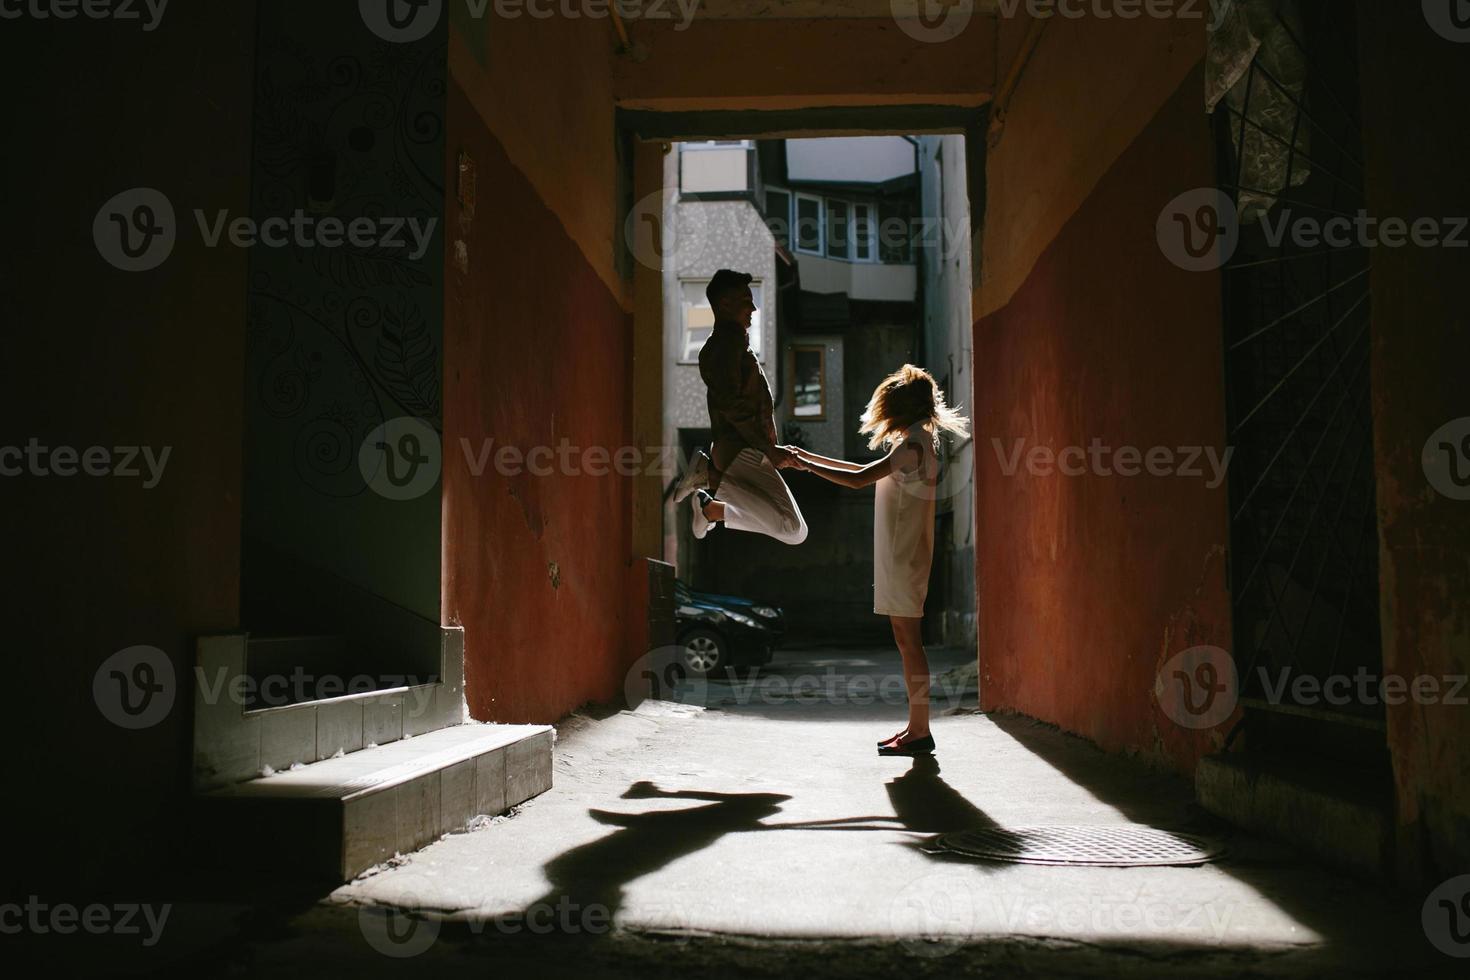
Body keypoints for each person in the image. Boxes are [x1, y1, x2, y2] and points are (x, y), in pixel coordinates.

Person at [782, 364, 968, 756]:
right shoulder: (916, 442)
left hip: (904, 554)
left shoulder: (914, 444)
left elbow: (857, 481)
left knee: (909, 641)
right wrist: (806, 458)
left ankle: (920, 732)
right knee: (906, 640)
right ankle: (916, 728)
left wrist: (807, 465)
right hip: (900, 552)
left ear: (901, 408)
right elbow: (860, 471)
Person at [672, 269, 807, 546]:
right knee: (792, 527)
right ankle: (707, 476)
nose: (754, 308)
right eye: (746, 300)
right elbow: (732, 405)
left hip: (748, 450)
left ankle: (712, 510)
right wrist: (769, 448)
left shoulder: (734, 344)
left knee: (793, 529)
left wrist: (770, 448)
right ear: (725, 305)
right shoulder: (723, 346)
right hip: (741, 450)